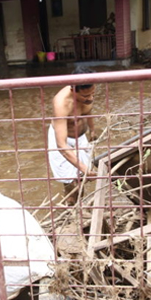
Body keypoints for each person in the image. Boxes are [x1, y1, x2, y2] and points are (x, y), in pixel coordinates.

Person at [48, 66, 97, 205]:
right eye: (86, 96)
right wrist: (83, 168)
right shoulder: (61, 103)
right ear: (72, 90)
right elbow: (61, 145)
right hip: (63, 140)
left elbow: (88, 112)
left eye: (93, 93)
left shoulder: (88, 92)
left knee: (82, 178)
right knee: (70, 181)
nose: (90, 98)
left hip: (81, 137)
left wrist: (93, 130)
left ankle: (78, 205)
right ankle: (69, 207)